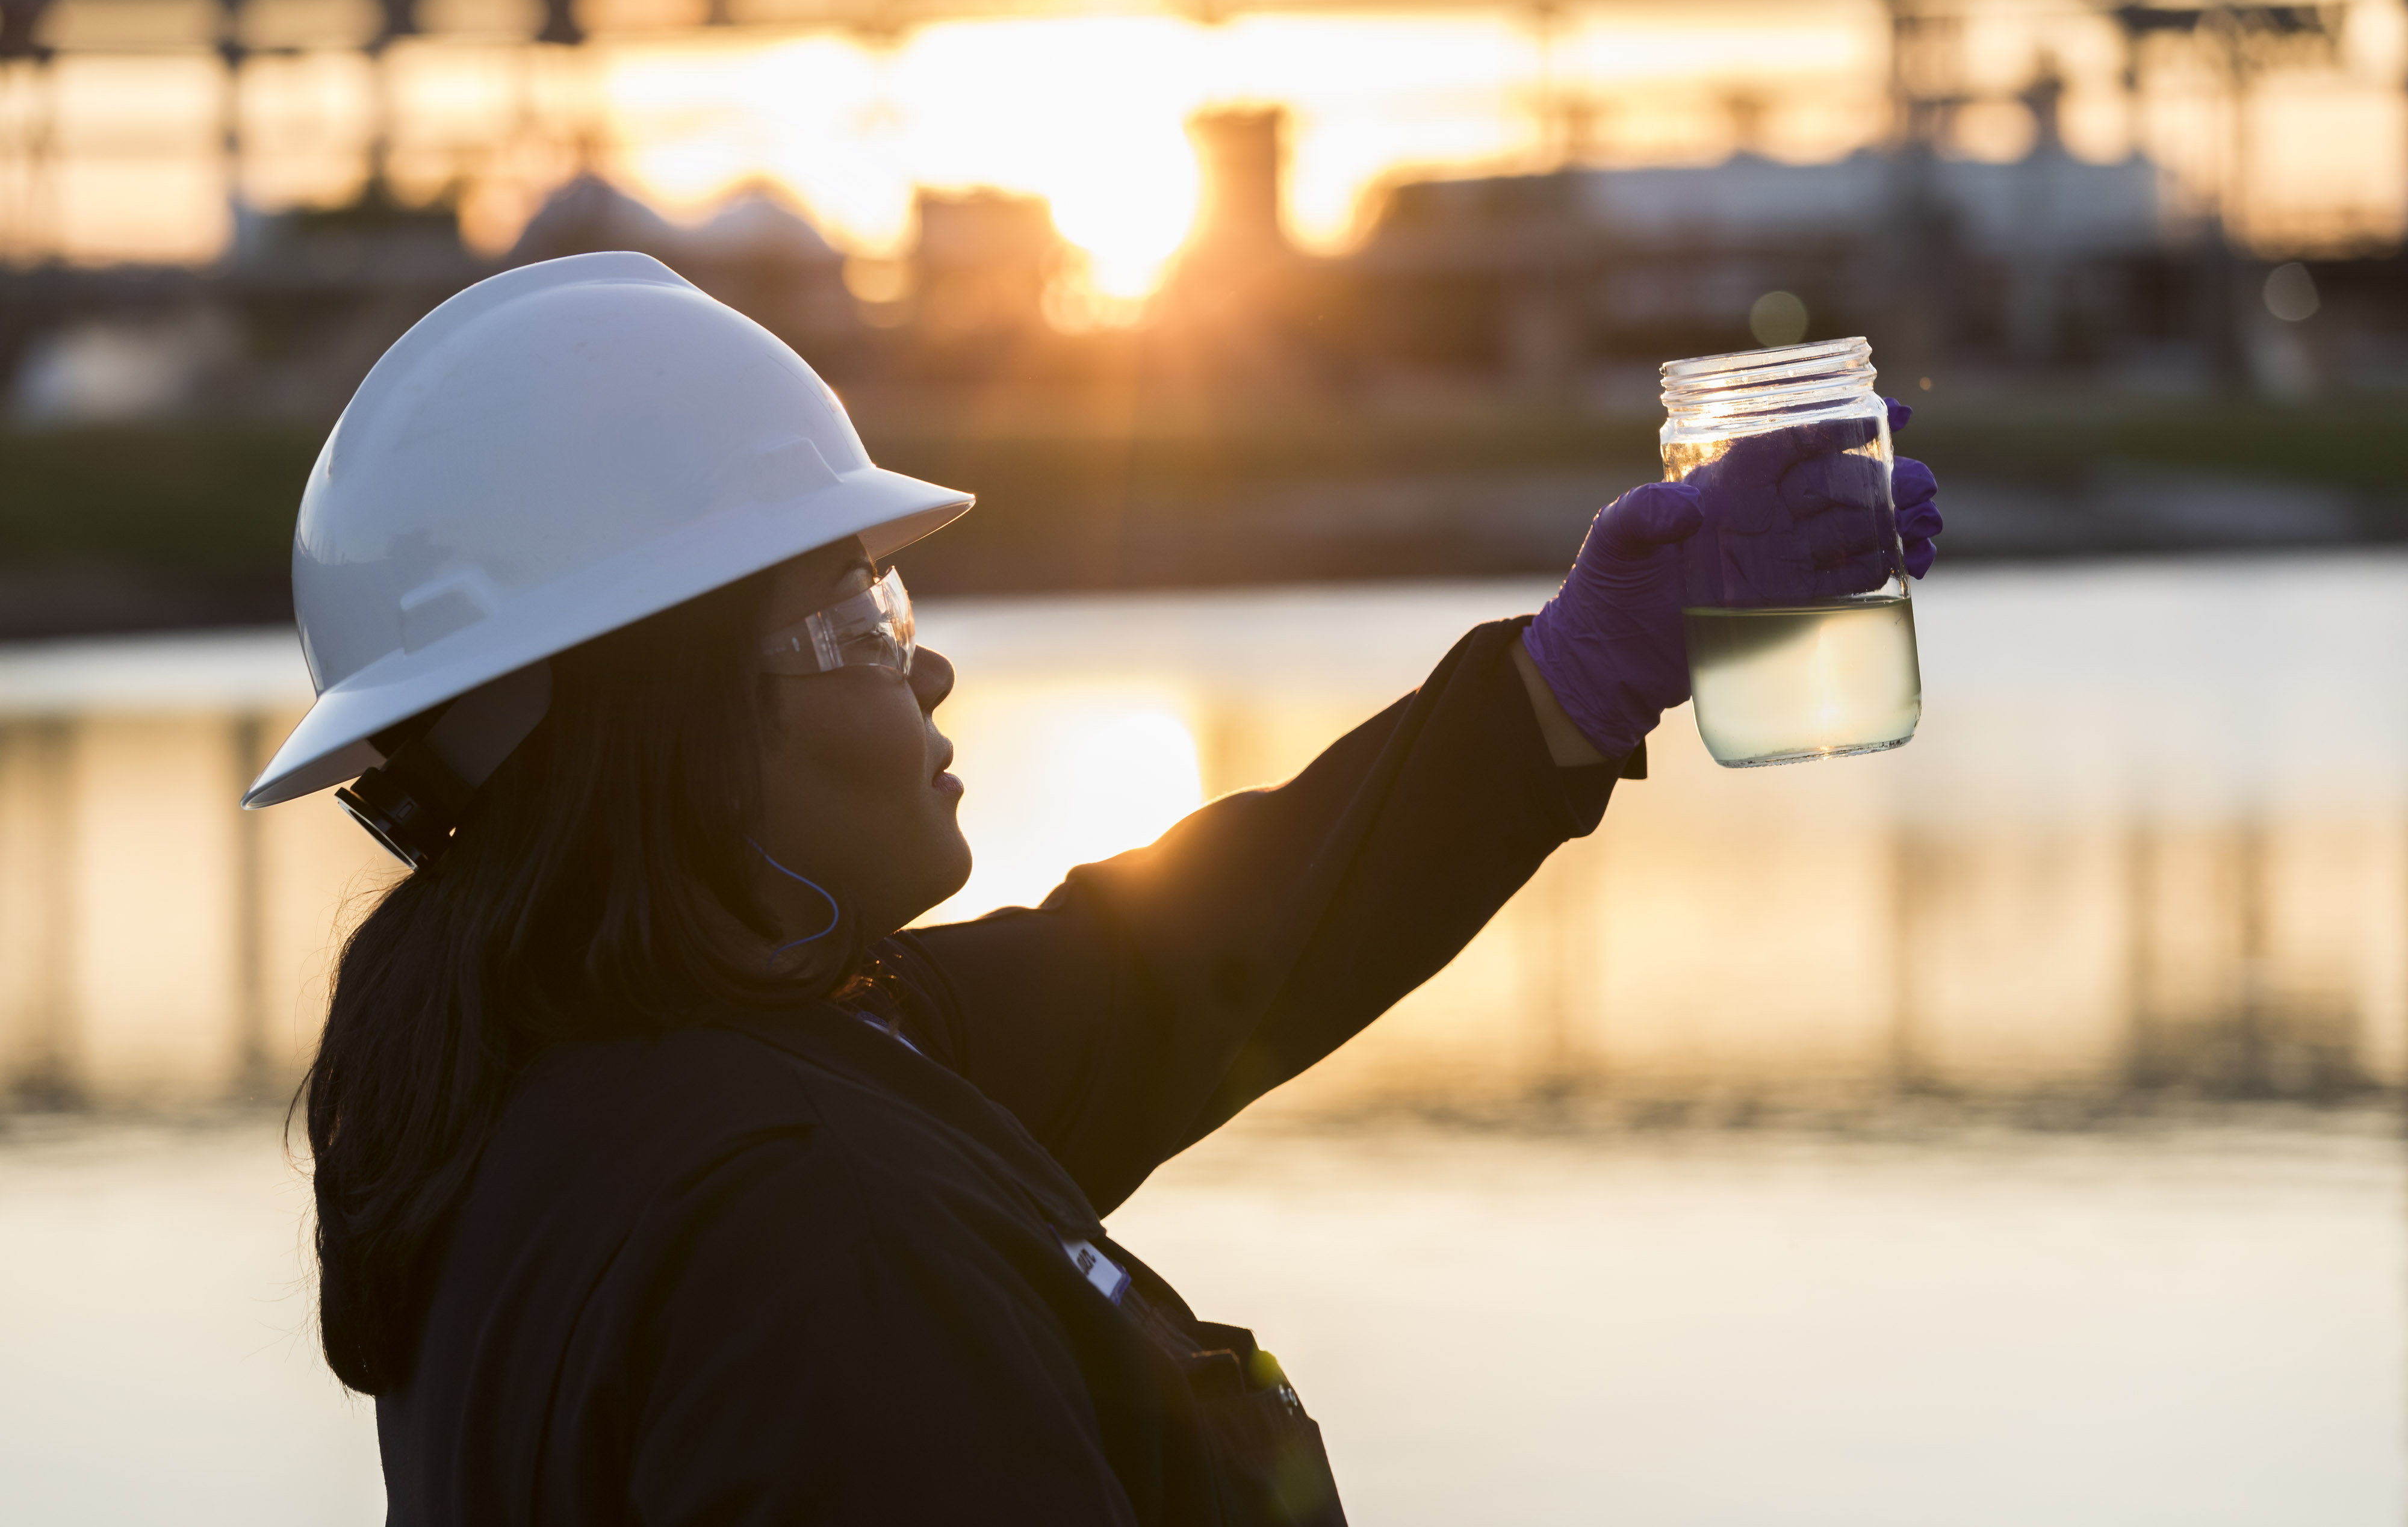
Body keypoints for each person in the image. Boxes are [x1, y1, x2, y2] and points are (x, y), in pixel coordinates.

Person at [243, 252, 1942, 1526]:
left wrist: (1568, 686)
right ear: (666, 730)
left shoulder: (602, 1082)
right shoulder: (815, 1238)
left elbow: (1173, 968)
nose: (929, 674)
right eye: (858, 616)